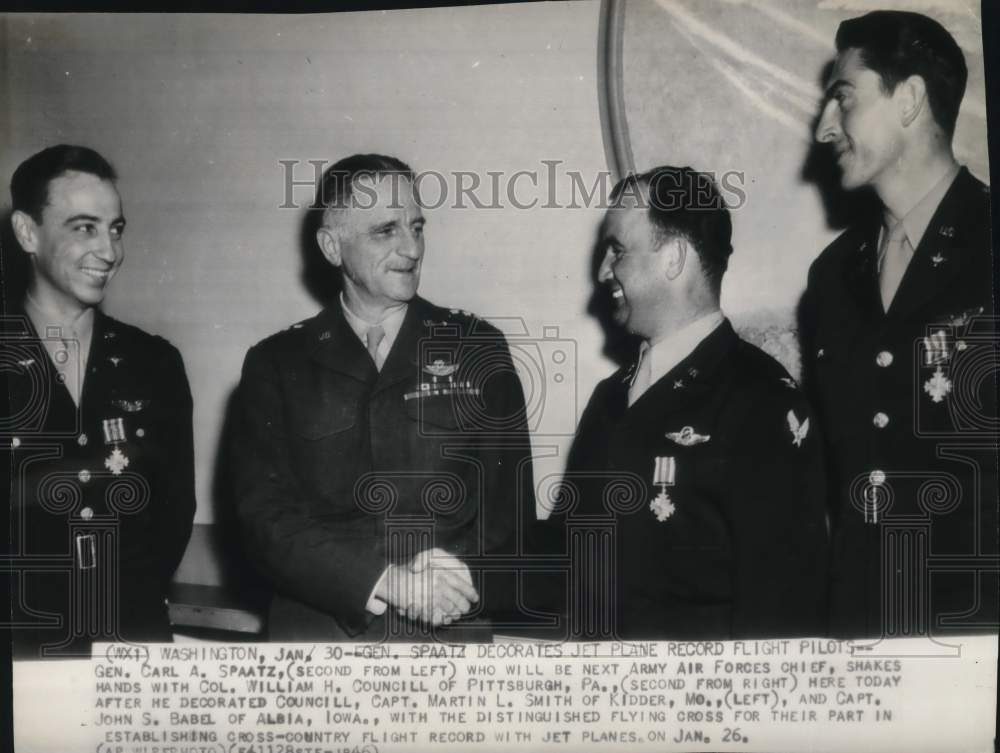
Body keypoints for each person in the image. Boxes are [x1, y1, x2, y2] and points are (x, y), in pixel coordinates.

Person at [230, 154, 533, 641]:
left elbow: (512, 520)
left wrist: (462, 575)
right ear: (332, 247)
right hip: (319, 638)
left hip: (445, 635)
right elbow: (265, 522)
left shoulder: (476, 346)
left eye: (417, 226)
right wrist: (384, 582)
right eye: (385, 230)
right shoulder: (276, 364)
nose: (412, 248)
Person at [550, 166, 828, 640]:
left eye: (617, 249)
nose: (602, 272)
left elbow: (784, 609)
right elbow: (564, 557)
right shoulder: (610, 397)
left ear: (674, 258)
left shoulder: (760, 399)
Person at [803, 10, 997, 638]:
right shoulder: (832, 276)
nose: (824, 127)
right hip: (858, 625)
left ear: (909, 99)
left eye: (843, 98)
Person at [5, 145, 196, 658]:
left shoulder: (154, 362)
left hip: (129, 636)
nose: (109, 251)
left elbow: (175, 512)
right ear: (27, 232)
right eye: (84, 227)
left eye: (115, 229)